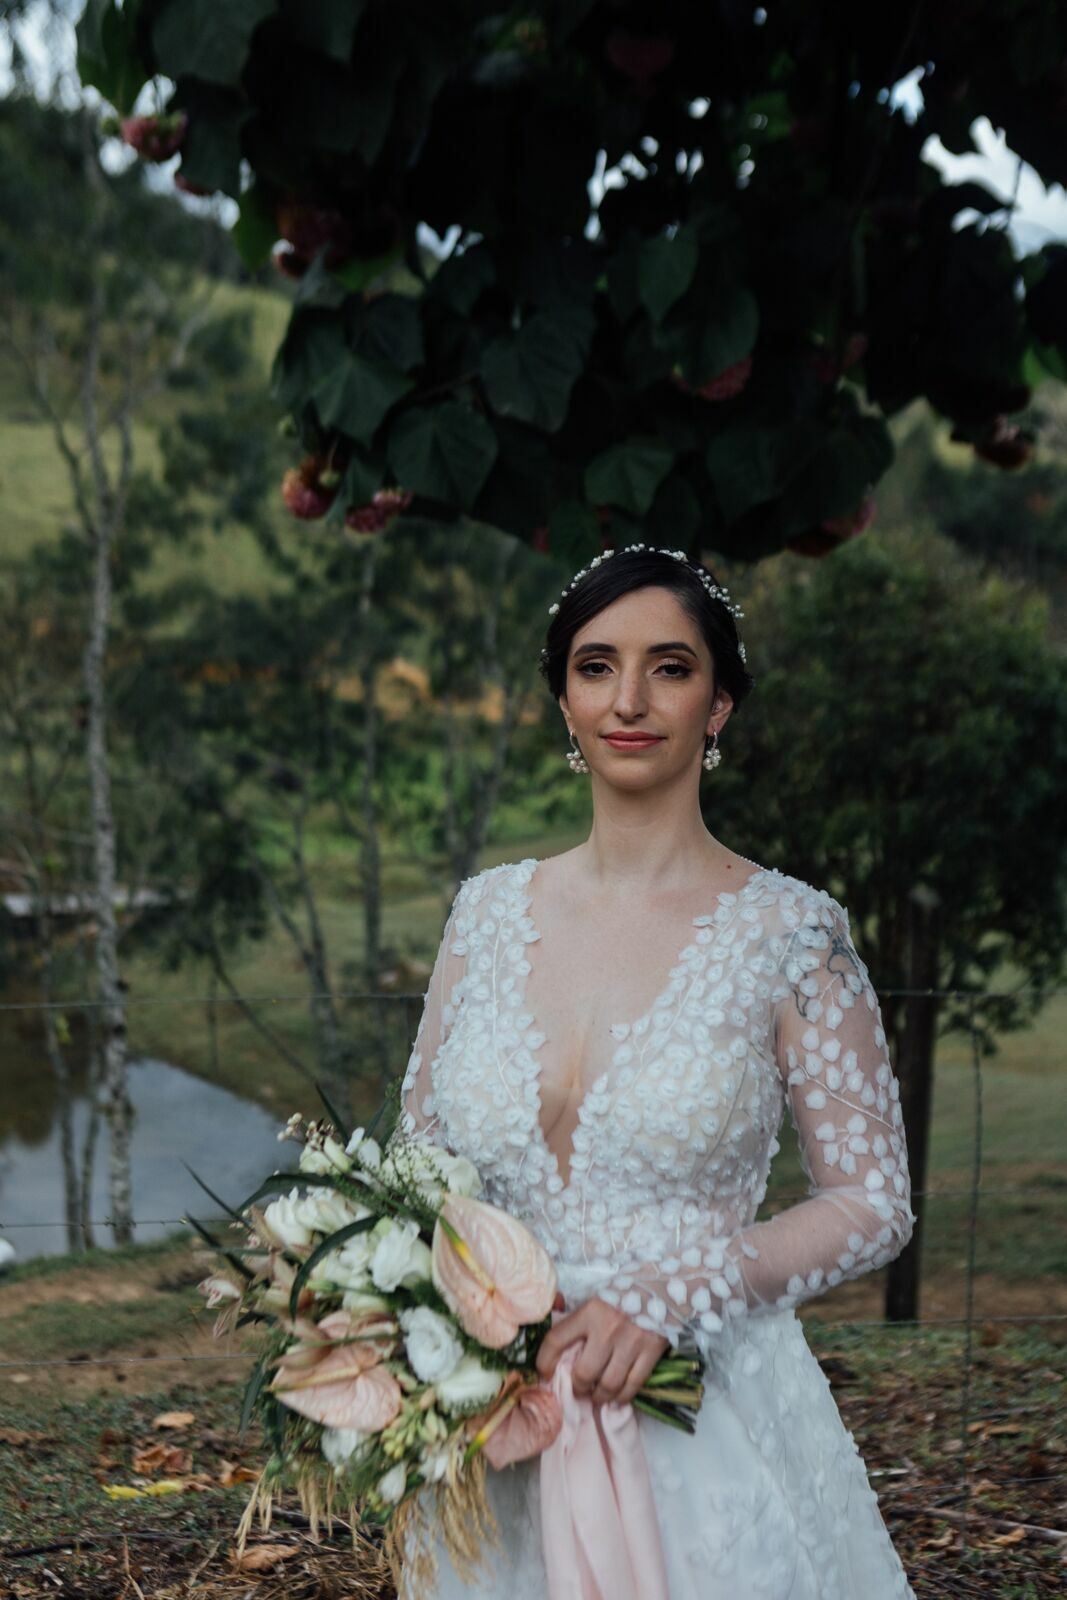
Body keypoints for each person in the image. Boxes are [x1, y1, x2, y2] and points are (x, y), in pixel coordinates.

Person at [397, 544, 917, 1598]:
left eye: (669, 667)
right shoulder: (484, 915)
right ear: (561, 698)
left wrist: (678, 1291)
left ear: (718, 703)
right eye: (595, 666)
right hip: (497, 1425)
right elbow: (418, 1167)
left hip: (702, 1417)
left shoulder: (792, 934)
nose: (628, 699)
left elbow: (871, 1201)